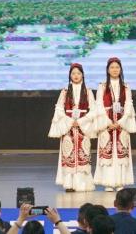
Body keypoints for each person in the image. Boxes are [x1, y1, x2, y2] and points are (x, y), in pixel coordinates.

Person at [49, 63, 97, 192]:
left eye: (78, 73)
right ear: (70, 75)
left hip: (83, 127)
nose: (76, 76)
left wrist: (81, 121)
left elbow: (93, 110)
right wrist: (70, 121)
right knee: (68, 154)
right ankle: (69, 184)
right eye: (73, 73)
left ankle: (83, 185)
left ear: (83, 75)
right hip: (68, 127)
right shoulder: (65, 92)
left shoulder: (88, 92)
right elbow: (59, 109)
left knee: (83, 154)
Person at [94, 58, 136, 191]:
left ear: (120, 69)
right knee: (106, 153)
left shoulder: (126, 87)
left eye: (117, 67)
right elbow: (99, 105)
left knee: (121, 154)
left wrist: (121, 122)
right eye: (112, 67)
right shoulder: (102, 86)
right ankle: (107, 183)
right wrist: (108, 122)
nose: (114, 70)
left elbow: (129, 104)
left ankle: (120, 182)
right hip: (106, 123)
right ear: (108, 70)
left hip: (121, 124)